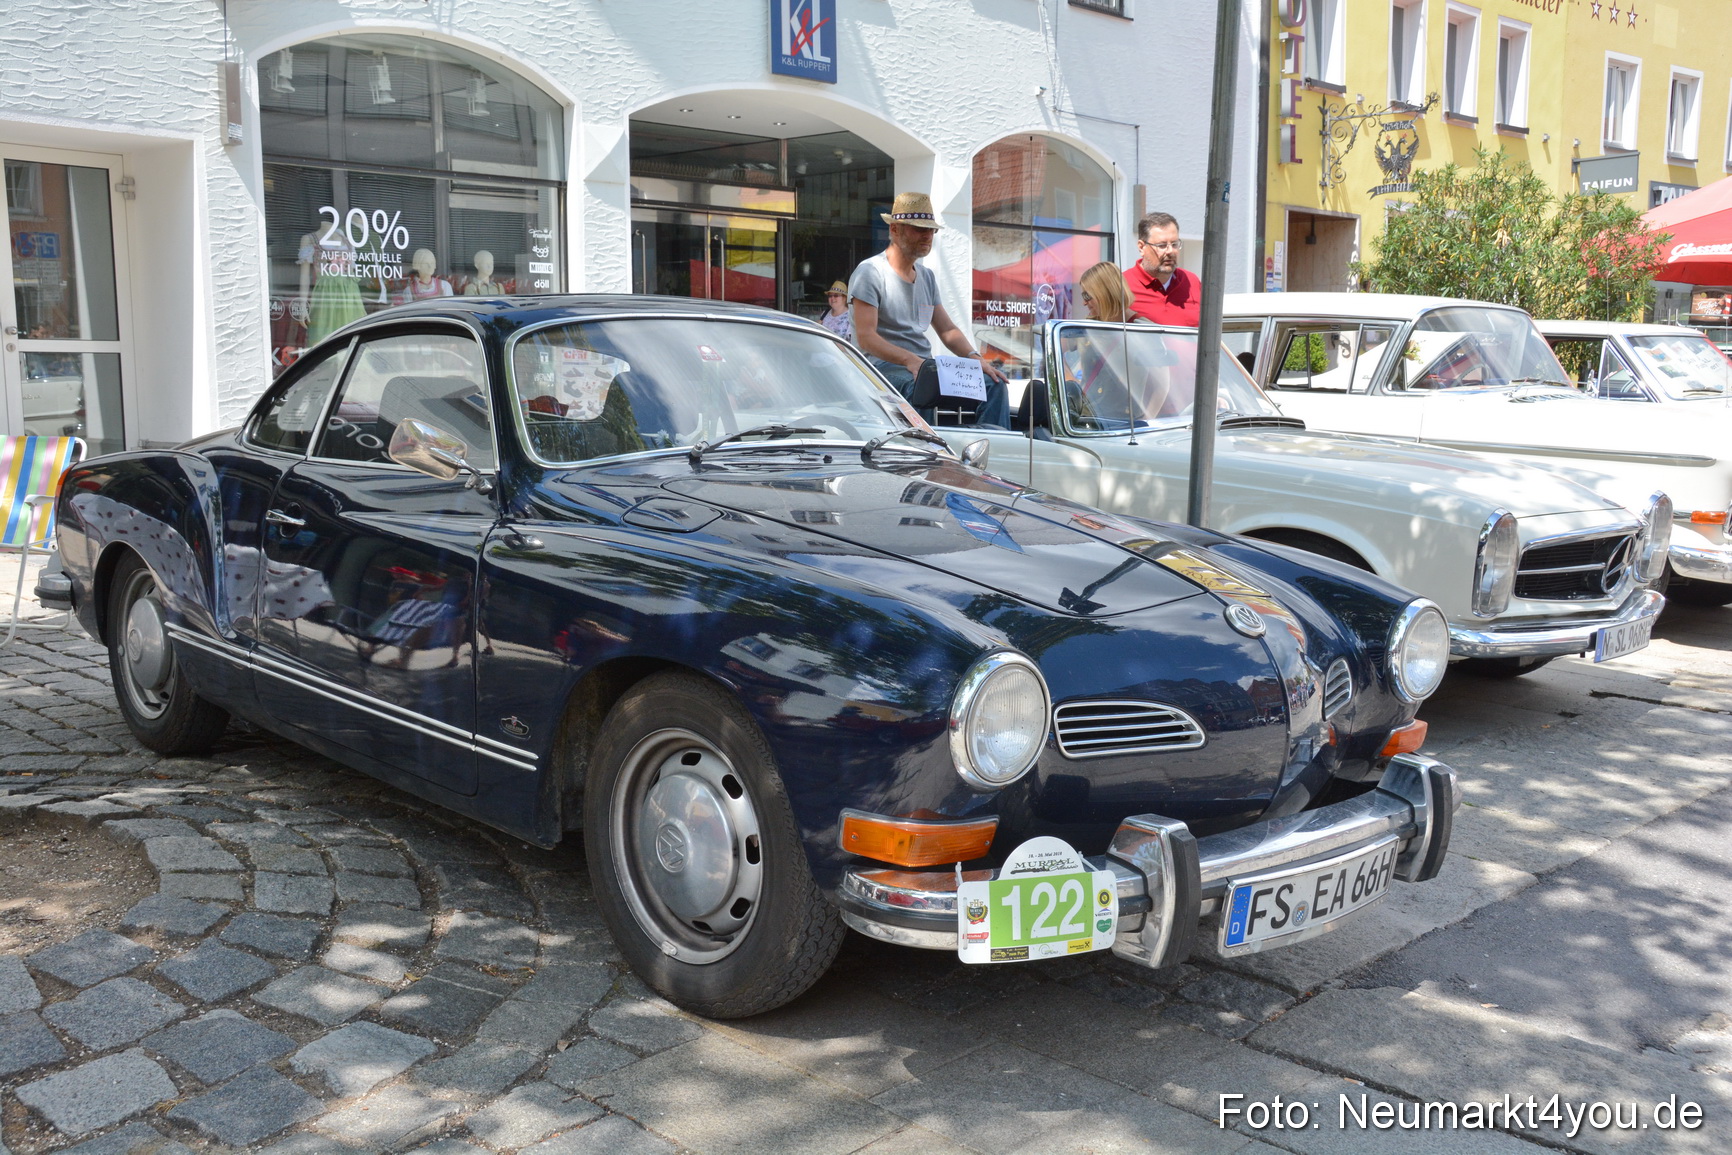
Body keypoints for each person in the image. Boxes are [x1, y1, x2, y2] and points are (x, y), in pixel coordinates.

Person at [849, 192, 1010, 427]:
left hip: (923, 367)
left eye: (931, 230)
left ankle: (988, 451)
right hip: (880, 368)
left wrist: (975, 359)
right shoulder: (870, 272)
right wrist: (911, 360)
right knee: (923, 387)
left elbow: (947, 330)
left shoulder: (926, 276)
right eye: (919, 229)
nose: (928, 235)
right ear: (895, 229)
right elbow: (866, 338)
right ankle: (924, 457)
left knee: (993, 384)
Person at [1124, 211, 1200, 325]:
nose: (1170, 251)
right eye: (1162, 245)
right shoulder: (1122, 286)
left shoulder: (1191, 281)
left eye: (1174, 244)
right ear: (1141, 247)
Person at [1078, 261, 1145, 325]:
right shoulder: (1088, 327)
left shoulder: (1144, 330)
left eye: (1086, 295)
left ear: (1105, 293)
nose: (1084, 303)